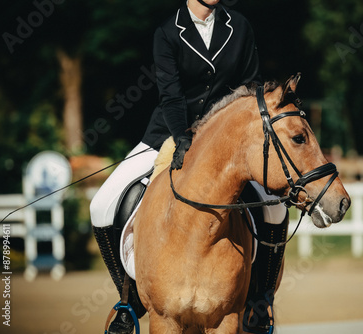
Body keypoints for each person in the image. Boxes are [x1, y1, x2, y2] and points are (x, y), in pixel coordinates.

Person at [90, 1, 288, 333]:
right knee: (101, 205)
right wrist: (182, 135)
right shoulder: (168, 32)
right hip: (169, 133)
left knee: (276, 210)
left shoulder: (239, 26)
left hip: (226, 141)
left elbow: (251, 88)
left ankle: (260, 298)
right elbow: (171, 94)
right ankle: (127, 302)